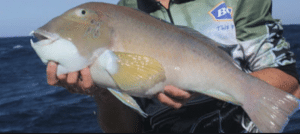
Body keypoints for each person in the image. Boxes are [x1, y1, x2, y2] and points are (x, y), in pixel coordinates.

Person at [46, 0, 300, 133]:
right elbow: (125, 129)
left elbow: (289, 82)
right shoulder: (121, 13)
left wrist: (206, 84)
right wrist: (100, 91)